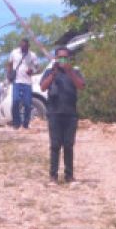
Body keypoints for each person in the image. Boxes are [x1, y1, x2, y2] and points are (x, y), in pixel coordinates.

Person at [39, 46, 86, 184]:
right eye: (60, 57)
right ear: (55, 58)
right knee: (55, 145)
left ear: (69, 58)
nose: (62, 59)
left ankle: (69, 175)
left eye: (65, 57)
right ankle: (53, 176)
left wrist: (69, 71)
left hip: (70, 114)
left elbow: (81, 86)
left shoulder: (75, 71)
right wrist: (53, 75)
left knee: (68, 145)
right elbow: (42, 87)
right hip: (54, 113)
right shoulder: (49, 72)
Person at [6, 38, 38, 129]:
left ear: (28, 46)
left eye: (25, 46)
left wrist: (32, 70)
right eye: (21, 46)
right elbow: (9, 64)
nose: (23, 48)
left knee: (28, 104)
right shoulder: (14, 53)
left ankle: (26, 123)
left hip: (27, 82)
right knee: (15, 101)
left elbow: (37, 67)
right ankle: (16, 123)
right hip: (16, 81)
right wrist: (8, 76)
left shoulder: (32, 55)